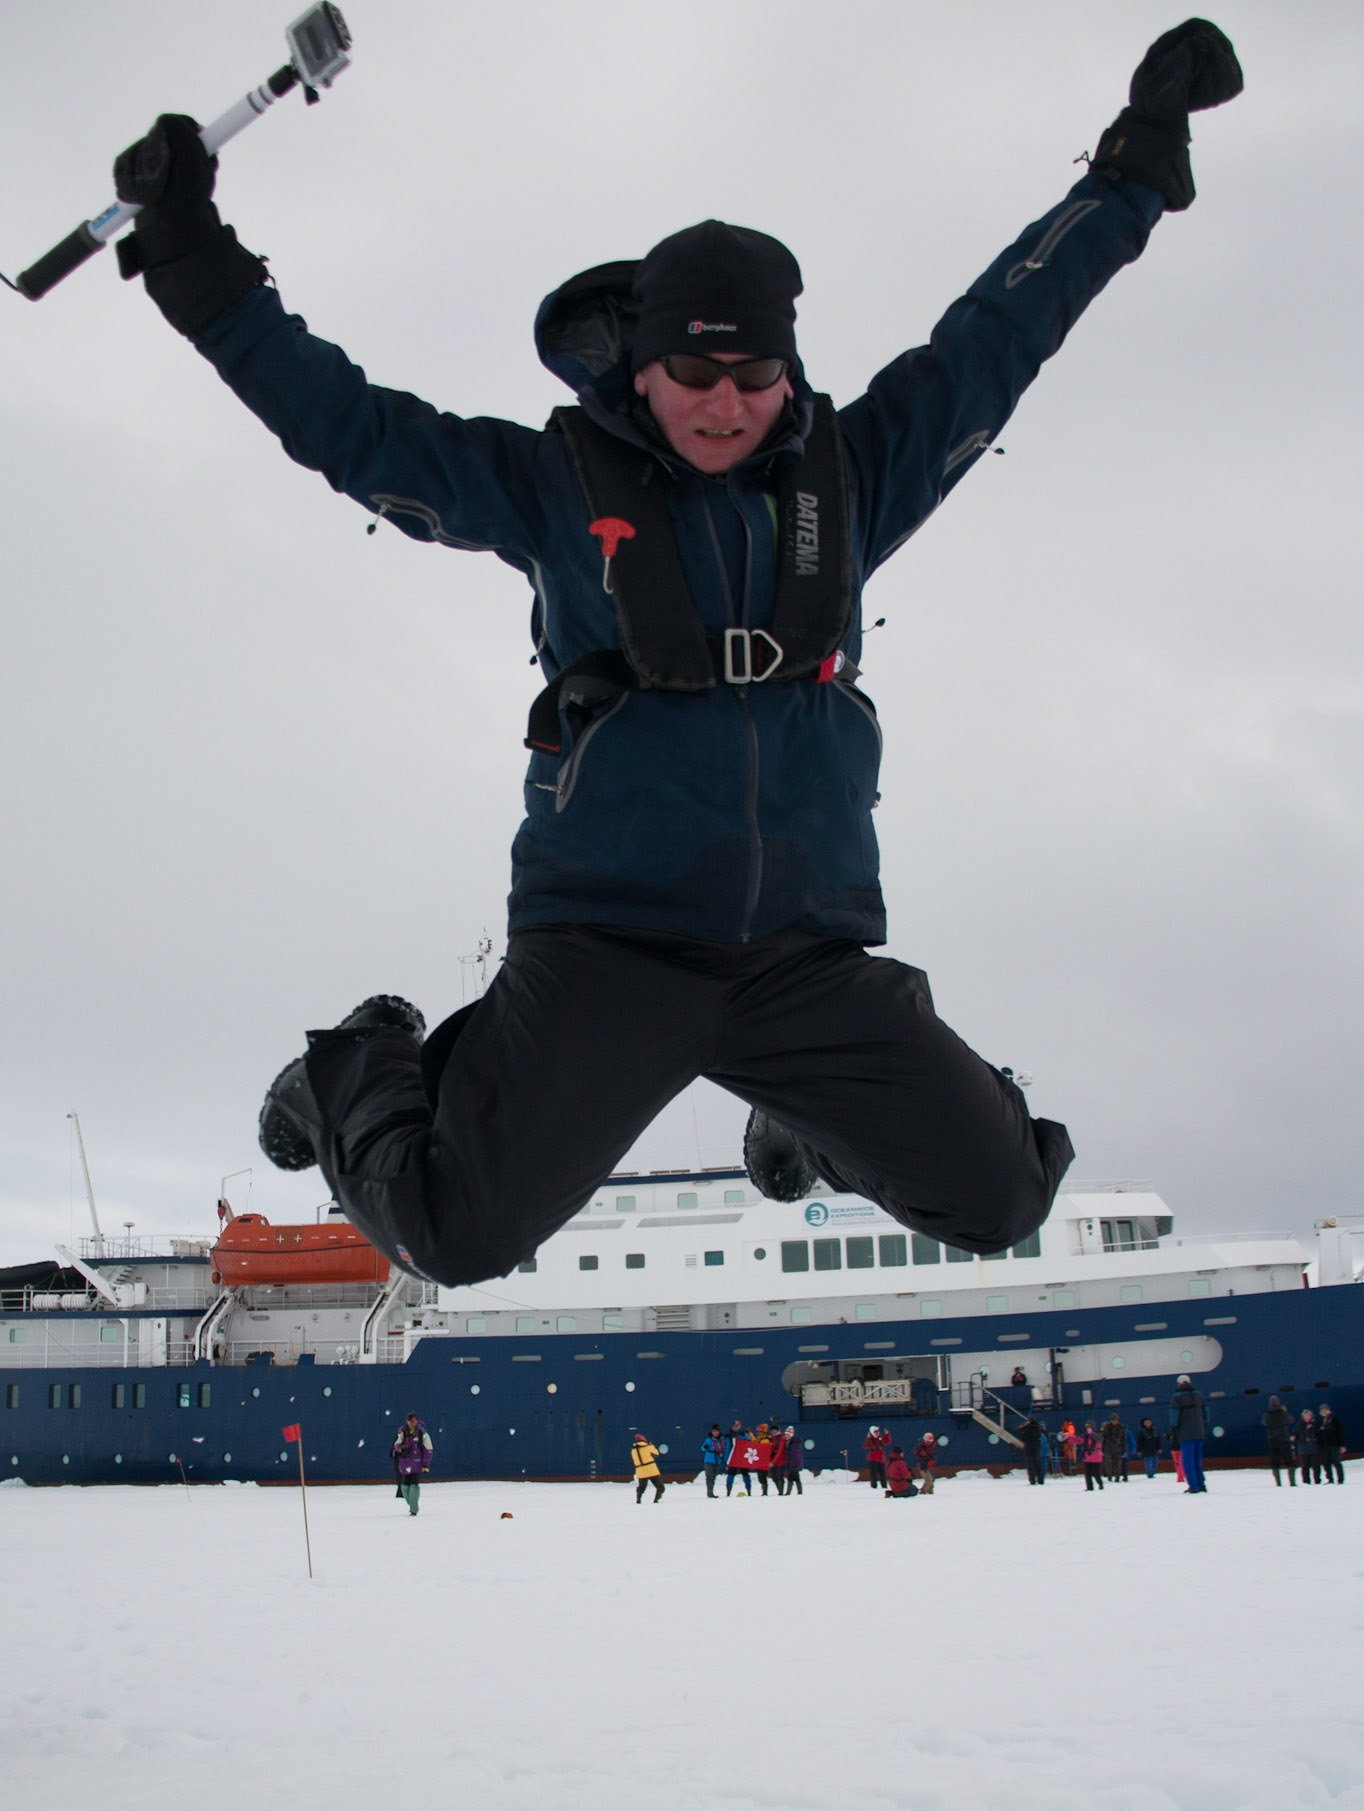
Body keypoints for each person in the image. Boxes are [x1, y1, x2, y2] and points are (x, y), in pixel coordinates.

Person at [106, 28, 1243, 1290]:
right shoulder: (550, 484)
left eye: (749, 372)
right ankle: (358, 1064)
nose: (720, 401)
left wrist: (1135, 168)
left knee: (998, 1194)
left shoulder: (850, 479)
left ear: (784, 364)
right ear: (637, 368)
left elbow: (1003, 331)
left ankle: (805, 1117)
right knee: (455, 1236)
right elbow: (346, 422)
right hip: (607, 945)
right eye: (688, 372)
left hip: (802, 951)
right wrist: (191, 257)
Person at [1168, 1374, 1209, 1493]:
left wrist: (1173, 1429)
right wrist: (1203, 1427)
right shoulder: (1199, 1395)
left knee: (1188, 1461)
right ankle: (1201, 1484)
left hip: (1185, 1433)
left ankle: (1193, 1486)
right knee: (1197, 1460)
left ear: (1179, 1383)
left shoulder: (1176, 1397)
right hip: (1199, 1432)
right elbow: (1206, 1413)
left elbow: (1174, 1415)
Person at [391, 1412, 432, 1515]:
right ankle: (412, 1504)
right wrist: (401, 1448)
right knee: (404, 1487)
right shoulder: (403, 1433)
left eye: (413, 1421)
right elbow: (397, 1444)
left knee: (414, 1486)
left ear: (416, 1421)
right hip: (406, 1464)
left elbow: (428, 1450)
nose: (411, 1424)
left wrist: (425, 1464)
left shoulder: (423, 1434)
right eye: (409, 1422)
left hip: (417, 1464)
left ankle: (413, 1510)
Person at [1261, 1397, 1296, 1488]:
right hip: (1284, 1439)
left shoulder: (1267, 1415)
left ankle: (1278, 1483)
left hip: (1272, 1440)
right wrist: (1284, 1411)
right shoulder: (1283, 1414)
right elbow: (1291, 1420)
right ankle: (1292, 1482)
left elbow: (1264, 1422)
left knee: (1275, 1462)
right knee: (1289, 1461)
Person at [631, 1432, 665, 1503]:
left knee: (641, 1487)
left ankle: (638, 1499)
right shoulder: (648, 1447)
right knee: (660, 1487)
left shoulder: (633, 1450)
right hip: (651, 1470)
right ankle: (656, 1500)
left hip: (640, 1471)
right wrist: (651, 1445)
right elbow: (656, 1453)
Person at [1316, 1404, 1346, 1485]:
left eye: (1325, 1409)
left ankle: (1340, 1479)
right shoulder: (1320, 1421)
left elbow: (1340, 1432)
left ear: (1329, 1410)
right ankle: (1330, 1479)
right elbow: (1317, 1433)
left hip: (1334, 1444)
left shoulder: (1334, 1419)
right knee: (1326, 1463)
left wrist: (1342, 1445)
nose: (1324, 1411)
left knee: (1336, 1462)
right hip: (1324, 1446)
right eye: (1322, 1410)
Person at [725, 1420, 756, 1498]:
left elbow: (750, 1443)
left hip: (743, 1458)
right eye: (734, 1426)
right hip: (733, 1458)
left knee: (745, 1474)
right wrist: (727, 1459)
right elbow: (727, 1448)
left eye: (736, 1426)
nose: (735, 1428)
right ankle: (728, 1491)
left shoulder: (744, 1434)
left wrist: (743, 1437)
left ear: (740, 1426)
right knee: (731, 1475)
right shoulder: (728, 1435)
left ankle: (749, 1491)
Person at [700, 1423, 727, 1498]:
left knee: (714, 1477)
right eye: (714, 1431)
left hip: (717, 1461)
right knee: (709, 1476)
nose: (715, 1433)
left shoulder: (721, 1440)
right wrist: (705, 1447)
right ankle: (710, 1492)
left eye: (716, 1431)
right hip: (709, 1460)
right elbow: (702, 1448)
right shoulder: (709, 1440)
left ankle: (711, 1490)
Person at [1019, 1412, 1045, 1486]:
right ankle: (1041, 1479)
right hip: (1036, 1447)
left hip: (1029, 1447)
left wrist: (1022, 1429)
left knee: (1030, 1465)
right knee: (1037, 1464)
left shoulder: (1027, 1429)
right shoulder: (1038, 1427)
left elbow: (1023, 1437)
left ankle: (1032, 1480)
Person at [1101, 1412, 1127, 1482]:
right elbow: (1104, 1438)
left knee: (1118, 1463)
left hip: (1118, 1448)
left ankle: (1117, 1477)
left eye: (1116, 1420)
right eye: (1113, 1420)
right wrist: (1102, 1449)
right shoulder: (1106, 1428)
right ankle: (1109, 1476)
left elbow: (1124, 1439)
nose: (1114, 1421)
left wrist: (1123, 1448)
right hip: (1108, 1448)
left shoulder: (1122, 1428)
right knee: (1108, 1463)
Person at [1297, 1409, 1320, 1486]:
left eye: (1308, 1416)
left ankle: (1317, 1480)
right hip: (1303, 1449)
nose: (1307, 1417)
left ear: (1311, 1416)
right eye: (1305, 1416)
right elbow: (1296, 1435)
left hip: (1314, 1448)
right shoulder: (1299, 1425)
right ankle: (1306, 1481)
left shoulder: (1315, 1424)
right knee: (1305, 1467)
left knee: (1316, 1466)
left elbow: (1319, 1434)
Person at [1080, 1422, 1105, 1492]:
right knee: (1087, 1474)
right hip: (1087, 1458)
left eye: (1089, 1427)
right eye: (1087, 1427)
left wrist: (1092, 1434)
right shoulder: (1085, 1436)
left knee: (1096, 1473)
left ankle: (1100, 1484)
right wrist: (1069, 1437)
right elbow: (1079, 1440)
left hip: (1096, 1457)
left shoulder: (1098, 1435)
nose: (1088, 1429)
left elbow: (1099, 1441)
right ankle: (1089, 1487)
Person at [781, 1426, 805, 1497]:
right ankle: (799, 1491)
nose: (786, 1436)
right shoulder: (790, 1442)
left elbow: (794, 1455)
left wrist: (792, 1464)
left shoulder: (794, 1443)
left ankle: (789, 1492)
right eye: (785, 1434)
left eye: (787, 1435)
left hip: (794, 1463)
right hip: (794, 1463)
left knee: (791, 1477)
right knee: (796, 1477)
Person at [864, 1425, 889, 1490]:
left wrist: (887, 1434)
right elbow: (866, 1446)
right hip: (872, 1459)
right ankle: (873, 1487)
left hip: (881, 1459)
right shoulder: (870, 1439)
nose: (878, 1433)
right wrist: (869, 1439)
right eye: (876, 1431)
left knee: (883, 1474)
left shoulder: (880, 1438)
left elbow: (886, 1441)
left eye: (878, 1431)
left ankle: (884, 1486)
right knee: (874, 1474)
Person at [768, 1423, 790, 1496]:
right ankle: (780, 1491)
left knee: (780, 1477)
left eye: (775, 1430)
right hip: (773, 1461)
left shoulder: (782, 1438)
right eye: (772, 1430)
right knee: (774, 1477)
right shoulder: (772, 1438)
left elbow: (780, 1451)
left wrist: (773, 1462)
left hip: (781, 1461)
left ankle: (781, 1492)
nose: (773, 1432)